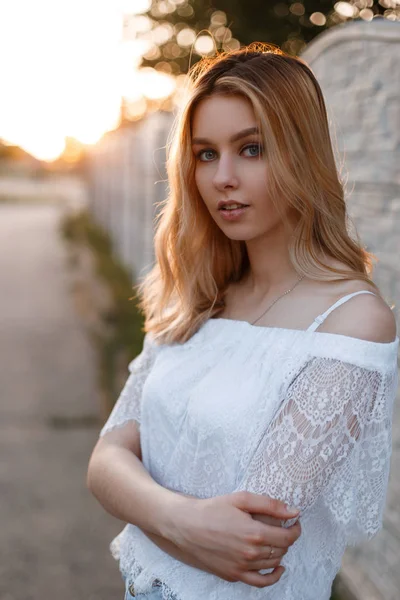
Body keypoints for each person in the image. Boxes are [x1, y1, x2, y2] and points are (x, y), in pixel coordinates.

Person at [87, 42, 399, 600]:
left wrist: (145, 507)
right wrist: (181, 519)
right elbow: (105, 456)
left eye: (251, 149)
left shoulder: (351, 322)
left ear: (303, 155)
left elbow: (252, 540)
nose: (222, 178)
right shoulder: (200, 295)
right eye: (206, 154)